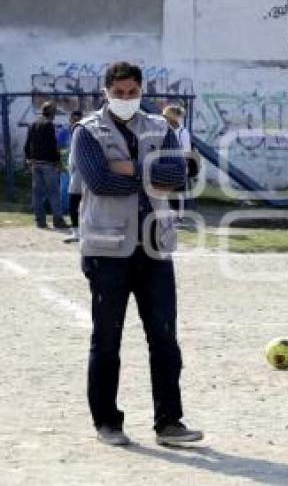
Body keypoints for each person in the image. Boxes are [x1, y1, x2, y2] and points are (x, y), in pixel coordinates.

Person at [72, 61, 202, 446]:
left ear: (141, 91)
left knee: (164, 339)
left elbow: (177, 177)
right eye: (119, 93)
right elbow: (99, 181)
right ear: (106, 92)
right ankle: (108, 422)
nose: (126, 98)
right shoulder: (87, 132)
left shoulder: (160, 128)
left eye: (132, 92)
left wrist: (129, 166)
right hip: (107, 251)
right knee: (107, 339)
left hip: (155, 248)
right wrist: (150, 172)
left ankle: (169, 423)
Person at [24, 101, 67, 229]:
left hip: (35, 163)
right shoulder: (49, 124)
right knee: (54, 192)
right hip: (48, 163)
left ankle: (40, 221)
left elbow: (27, 144)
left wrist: (28, 158)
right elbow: (52, 145)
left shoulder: (32, 124)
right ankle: (57, 220)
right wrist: (58, 162)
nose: (55, 114)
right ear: (51, 112)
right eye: (54, 112)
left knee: (37, 193)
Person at [162, 105, 192, 221]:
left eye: (165, 117)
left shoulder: (182, 133)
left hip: (178, 167)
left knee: (178, 192)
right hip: (165, 166)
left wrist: (182, 168)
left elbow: (186, 153)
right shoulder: (163, 130)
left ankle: (179, 216)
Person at [63, 110, 84, 243]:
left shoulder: (82, 133)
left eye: (77, 121)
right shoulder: (72, 133)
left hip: (80, 175)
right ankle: (77, 232)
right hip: (75, 174)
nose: (74, 123)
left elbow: (75, 159)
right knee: (75, 204)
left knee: (75, 204)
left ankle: (79, 232)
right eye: (73, 120)